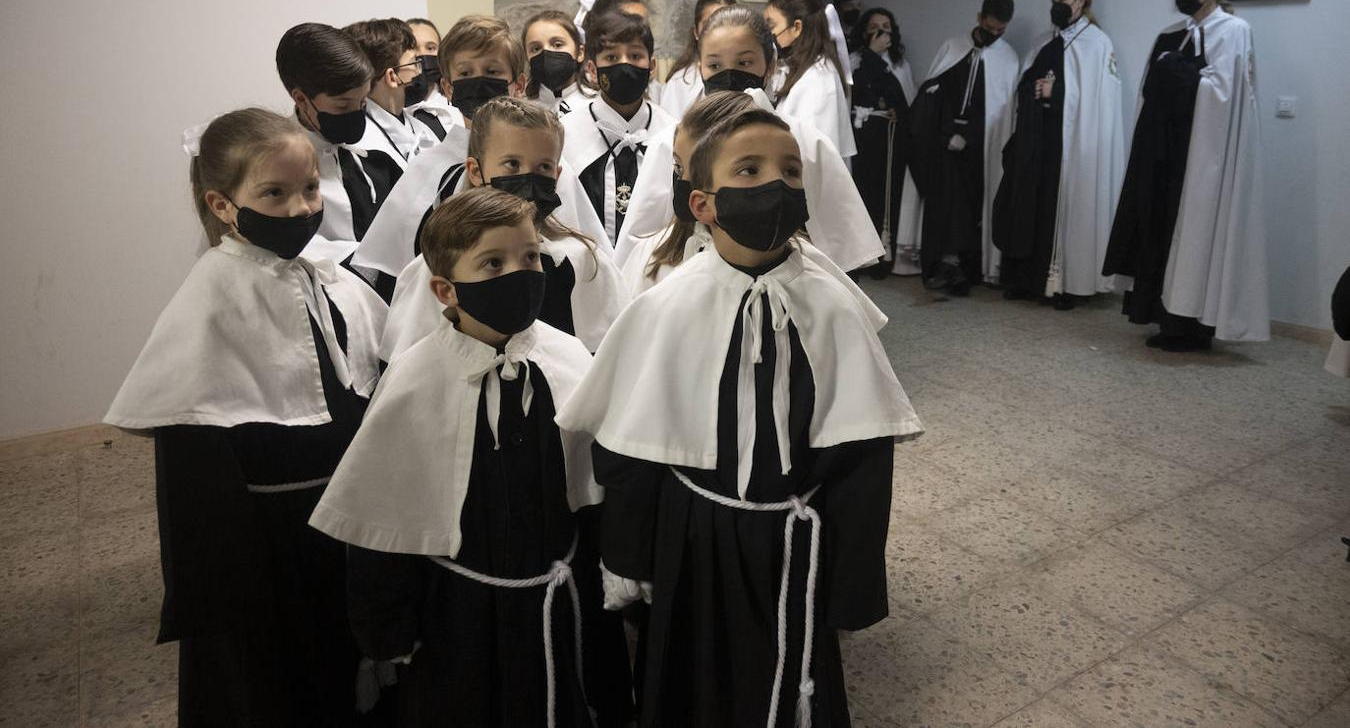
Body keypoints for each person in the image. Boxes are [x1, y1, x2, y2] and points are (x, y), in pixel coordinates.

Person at [556, 106, 921, 728]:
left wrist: (853, 577)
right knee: (693, 682)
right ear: (703, 204)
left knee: (790, 681)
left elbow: (864, 455)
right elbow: (629, 448)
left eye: (789, 172)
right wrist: (628, 558)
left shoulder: (833, 305)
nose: (774, 186)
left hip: (794, 538)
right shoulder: (668, 306)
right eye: (747, 171)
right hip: (693, 535)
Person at [104, 109, 388, 726]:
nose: (299, 209)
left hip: (342, 514)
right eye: (273, 193)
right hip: (273, 541)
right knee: (284, 679)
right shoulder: (212, 296)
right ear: (223, 204)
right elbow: (194, 475)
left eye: (310, 189)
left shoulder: (328, 276)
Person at [312, 187, 634, 727]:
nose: (521, 273)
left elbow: (594, 494)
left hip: (560, 599)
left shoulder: (567, 356)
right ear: (445, 289)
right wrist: (387, 631)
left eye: (530, 257)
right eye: (493, 263)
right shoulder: (416, 379)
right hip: (462, 615)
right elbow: (382, 524)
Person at [615, 4, 882, 277]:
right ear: (701, 68)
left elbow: (839, 241)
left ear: (769, 65)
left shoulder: (805, 140)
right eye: (715, 65)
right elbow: (642, 233)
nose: (728, 74)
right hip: (693, 278)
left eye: (744, 63)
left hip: (785, 278)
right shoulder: (670, 141)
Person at [619, 91, 889, 347]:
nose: (775, 182)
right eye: (680, 167)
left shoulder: (815, 273)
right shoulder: (655, 264)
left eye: (790, 170)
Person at [352, 15, 609, 282]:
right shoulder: (427, 169)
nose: (478, 81)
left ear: (518, 85)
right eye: (465, 73)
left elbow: (587, 258)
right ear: (448, 88)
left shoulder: (547, 168)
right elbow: (391, 266)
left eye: (492, 72)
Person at [381, 97, 627, 361]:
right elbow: (413, 363)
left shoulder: (584, 261)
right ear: (476, 171)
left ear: (556, 175)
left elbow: (609, 358)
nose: (528, 177)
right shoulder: (440, 265)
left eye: (542, 167)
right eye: (512, 164)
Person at [1103, 0, 1268, 350]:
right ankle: (1162, 318)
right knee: (1157, 229)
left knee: (1194, 233)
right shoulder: (1172, 33)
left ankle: (1192, 326)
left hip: (1201, 156)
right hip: (1163, 151)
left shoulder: (1233, 31)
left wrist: (1178, 72)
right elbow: (1150, 93)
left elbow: (1224, 94)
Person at [992, 0, 1125, 309]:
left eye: (1062, 1)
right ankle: (1024, 278)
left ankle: (1063, 282)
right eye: (1053, 1)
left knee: (1061, 210)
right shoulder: (1043, 41)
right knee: (1026, 206)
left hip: (1070, 148)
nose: (1056, 7)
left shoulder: (1097, 43)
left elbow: (1098, 105)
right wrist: (1034, 90)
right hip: (1036, 140)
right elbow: (1024, 84)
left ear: (1081, 2)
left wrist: (1056, 92)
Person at [900, 0, 1020, 294]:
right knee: (943, 205)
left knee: (973, 206)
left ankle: (966, 269)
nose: (993, 35)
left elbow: (1002, 110)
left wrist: (972, 136)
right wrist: (946, 133)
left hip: (981, 149)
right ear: (979, 18)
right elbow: (932, 94)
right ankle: (941, 265)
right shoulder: (954, 47)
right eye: (990, 27)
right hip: (944, 146)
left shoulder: (1008, 58)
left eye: (1000, 31)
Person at [276, 23, 404, 264]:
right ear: (301, 99)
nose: (356, 114)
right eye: (343, 106)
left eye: (363, 102)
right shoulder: (278, 160)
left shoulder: (379, 141)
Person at [560, 9, 678, 248]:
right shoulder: (567, 132)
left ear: (651, 66)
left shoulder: (673, 133)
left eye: (635, 56)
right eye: (612, 58)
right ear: (593, 70)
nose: (625, 65)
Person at [849, 7, 916, 278]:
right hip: (865, 138)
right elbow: (858, 92)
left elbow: (905, 98)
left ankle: (884, 252)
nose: (881, 31)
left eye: (886, 26)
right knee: (865, 193)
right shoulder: (856, 60)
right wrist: (872, 56)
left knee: (889, 194)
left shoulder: (900, 63)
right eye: (874, 26)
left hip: (892, 138)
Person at [765, 0, 855, 158]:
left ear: (797, 27)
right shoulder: (798, 68)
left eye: (772, 27)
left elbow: (814, 155)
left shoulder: (820, 78)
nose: (770, 35)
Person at [345, 18, 442, 161]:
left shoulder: (422, 130)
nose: (419, 71)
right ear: (392, 77)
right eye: (415, 63)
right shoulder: (362, 145)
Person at [659, 0, 737, 120]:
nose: (718, 31)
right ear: (696, 32)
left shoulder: (748, 74)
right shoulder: (680, 83)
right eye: (709, 24)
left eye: (726, 22)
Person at [523, 10, 587, 115]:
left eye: (557, 45)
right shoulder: (521, 110)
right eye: (536, 48)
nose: (546, 53)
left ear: (580, 53)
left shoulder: (598, 105)